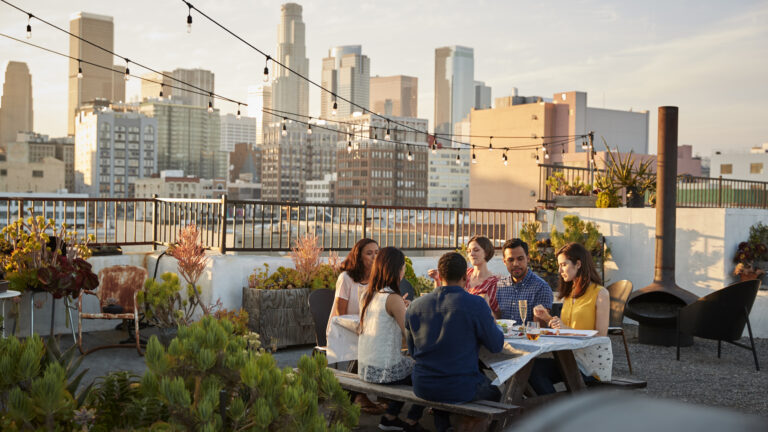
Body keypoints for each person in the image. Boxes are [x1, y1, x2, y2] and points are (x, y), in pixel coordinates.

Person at [406, 252, 504, 432]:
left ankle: (445, 428)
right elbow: (496, 345)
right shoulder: (476, 304)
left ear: (440, 276)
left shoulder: (415, 305)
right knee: (495, 392)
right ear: (465, 277)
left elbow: (412, 351)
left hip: (422, 385)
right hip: (460, 387)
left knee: (446, 389)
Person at [358, 247, 427, 432]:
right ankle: (412, 420)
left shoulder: (368, 294)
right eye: (403, 266)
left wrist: (402, 308)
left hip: (365, 369)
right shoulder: (392, 297)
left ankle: (389, 418)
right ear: (398, 269)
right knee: (429, 371)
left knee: (409, 366)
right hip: (384, 372)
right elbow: (411, 335)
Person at [530, 242, 610, 395]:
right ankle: (554, 407)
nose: (559, 270)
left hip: (589, 364)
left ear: (578, 264)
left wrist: (566, 329)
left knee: (534, 370)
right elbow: (565, 329)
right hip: (568, 359)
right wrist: (547, 319)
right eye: (559, 266)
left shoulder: (600, 293)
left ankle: (557, 409)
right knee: (531, 368)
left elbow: (601, 336)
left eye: (563, 265)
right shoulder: (569, 294)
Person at [326, 238, 384, 414]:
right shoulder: (346, 278)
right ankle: (356, 396)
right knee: (367, 347)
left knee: (388, 343)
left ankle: (382, 396)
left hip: (368, 329)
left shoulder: (378, 278)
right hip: (343, 329)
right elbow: (340, 313)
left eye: (377, 253)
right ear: (359, 257)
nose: (374, 257)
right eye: (369, 253)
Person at [427, 235, 500, 315]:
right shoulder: (464, 272)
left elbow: (496, 314)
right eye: (468, 251)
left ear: (486, 252)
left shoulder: (494, 282)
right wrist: (437, 279)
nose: (471, 254)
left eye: (476, 250)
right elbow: (442, 297)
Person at [495, 238, 554, 324]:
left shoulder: (541, 287)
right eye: (511, 260)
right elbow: (497, 320)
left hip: (529, 337)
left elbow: (540, 328)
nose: (516, 264)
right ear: (504, 261)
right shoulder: (499, 286)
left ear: (528, 258)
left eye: (520, 259)